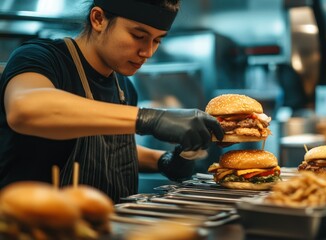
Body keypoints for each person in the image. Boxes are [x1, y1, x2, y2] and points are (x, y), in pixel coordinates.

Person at [0, 0, 224, 203]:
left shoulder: (124, 87)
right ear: (98, 19)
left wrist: (163, 160)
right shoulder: (40, 58)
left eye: (157, 40)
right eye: (138, 36)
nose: (147, 52)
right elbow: (26, 109)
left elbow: (109, 147)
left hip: (109, 226)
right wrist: (151, 118)